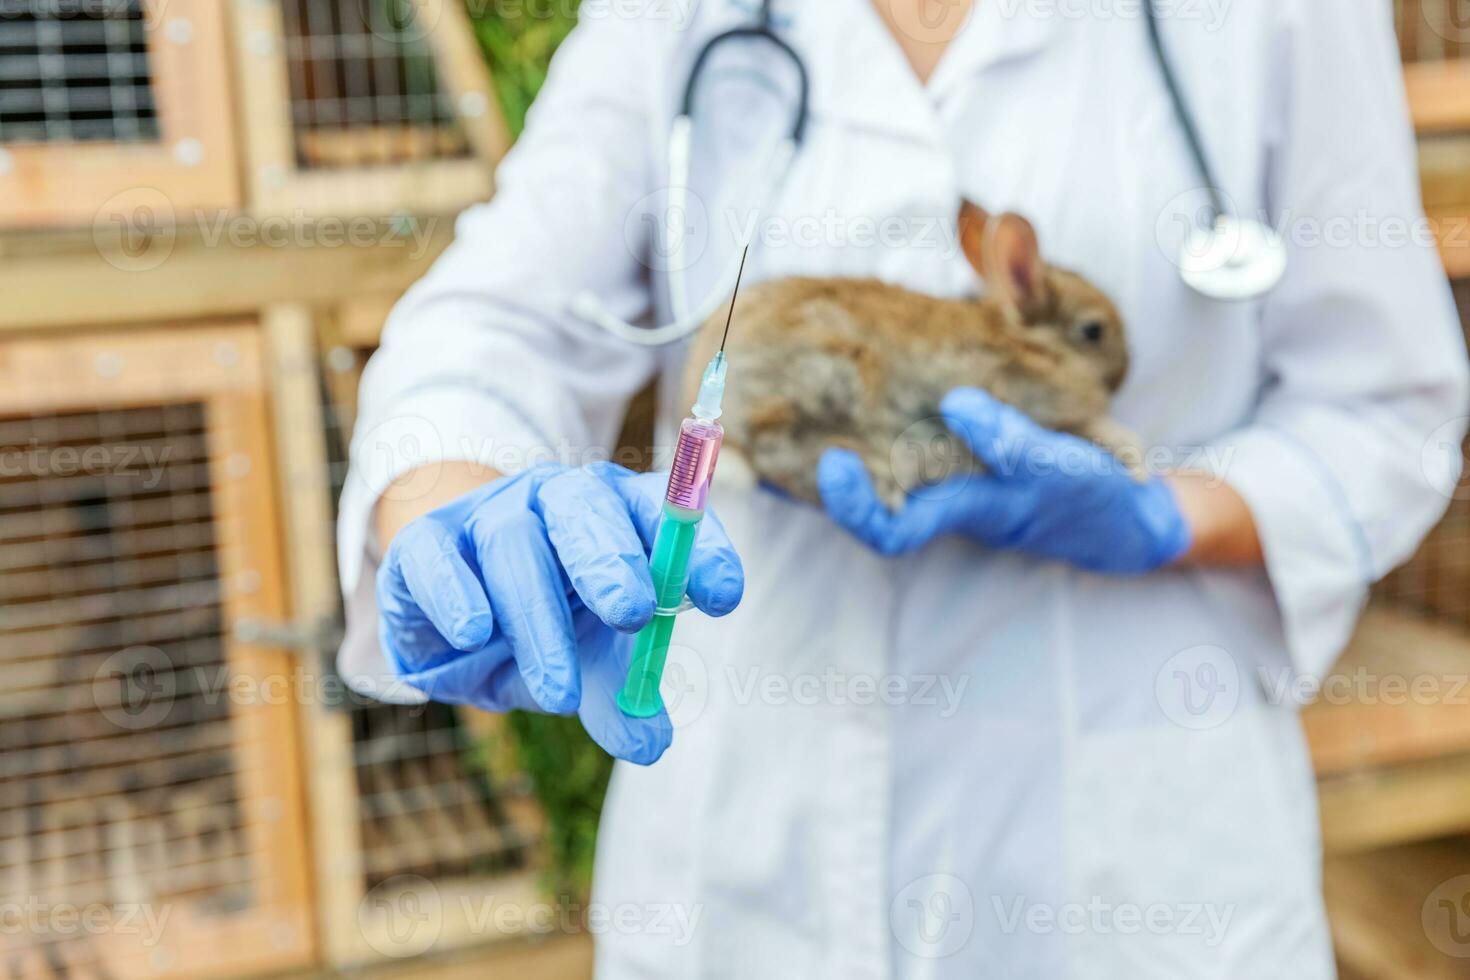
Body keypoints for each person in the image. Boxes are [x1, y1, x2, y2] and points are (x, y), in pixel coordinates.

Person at [337, 0, 1470, 975]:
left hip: (1132, 835)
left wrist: (1169, 514)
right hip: (744, 825)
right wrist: (456, 503)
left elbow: (1386, 404)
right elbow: (497, 321)